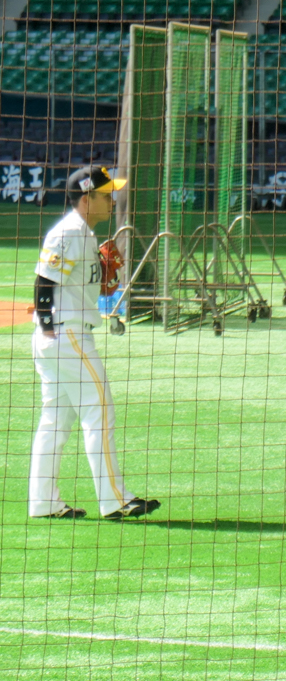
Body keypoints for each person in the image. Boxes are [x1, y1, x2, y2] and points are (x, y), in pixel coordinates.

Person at [28, 166, 159, 521]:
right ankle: (115, 500)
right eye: (105, 195)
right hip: (66, 334)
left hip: (58, 336)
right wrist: (46, 320)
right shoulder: (70, 231)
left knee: (55, 421)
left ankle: (43, 502)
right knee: (99, 411)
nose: (112, 200)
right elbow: (43, 280)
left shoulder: (81, 232)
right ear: (87, 200)